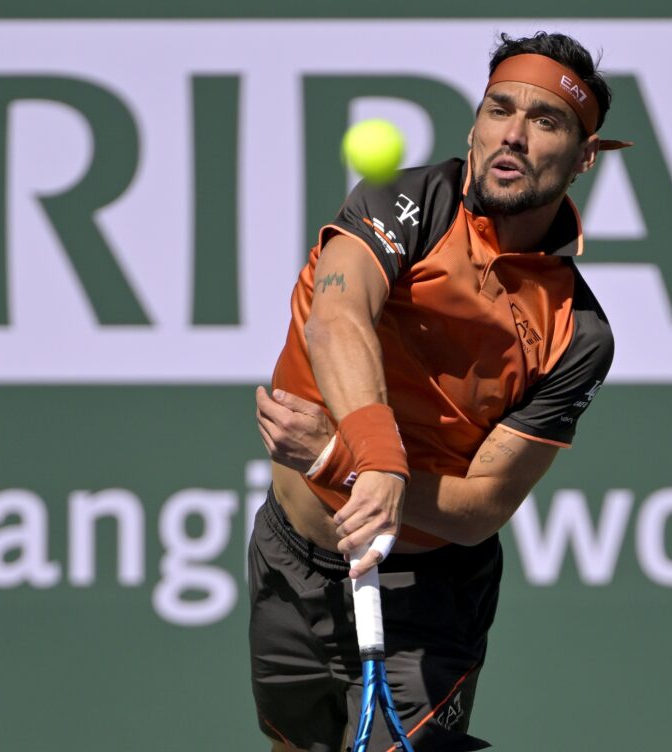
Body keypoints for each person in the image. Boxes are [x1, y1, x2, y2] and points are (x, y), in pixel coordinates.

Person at [250, 31, 626, 752]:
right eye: (499, 110)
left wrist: (342, 461)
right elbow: (336, 319)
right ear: (474, 124)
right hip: (289, 557)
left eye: (545, 122)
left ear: (583, 158)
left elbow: (482, 506)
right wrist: (377, 458)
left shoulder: (578, 334)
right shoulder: (407, 204)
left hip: (425, 592)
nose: (512, 135)